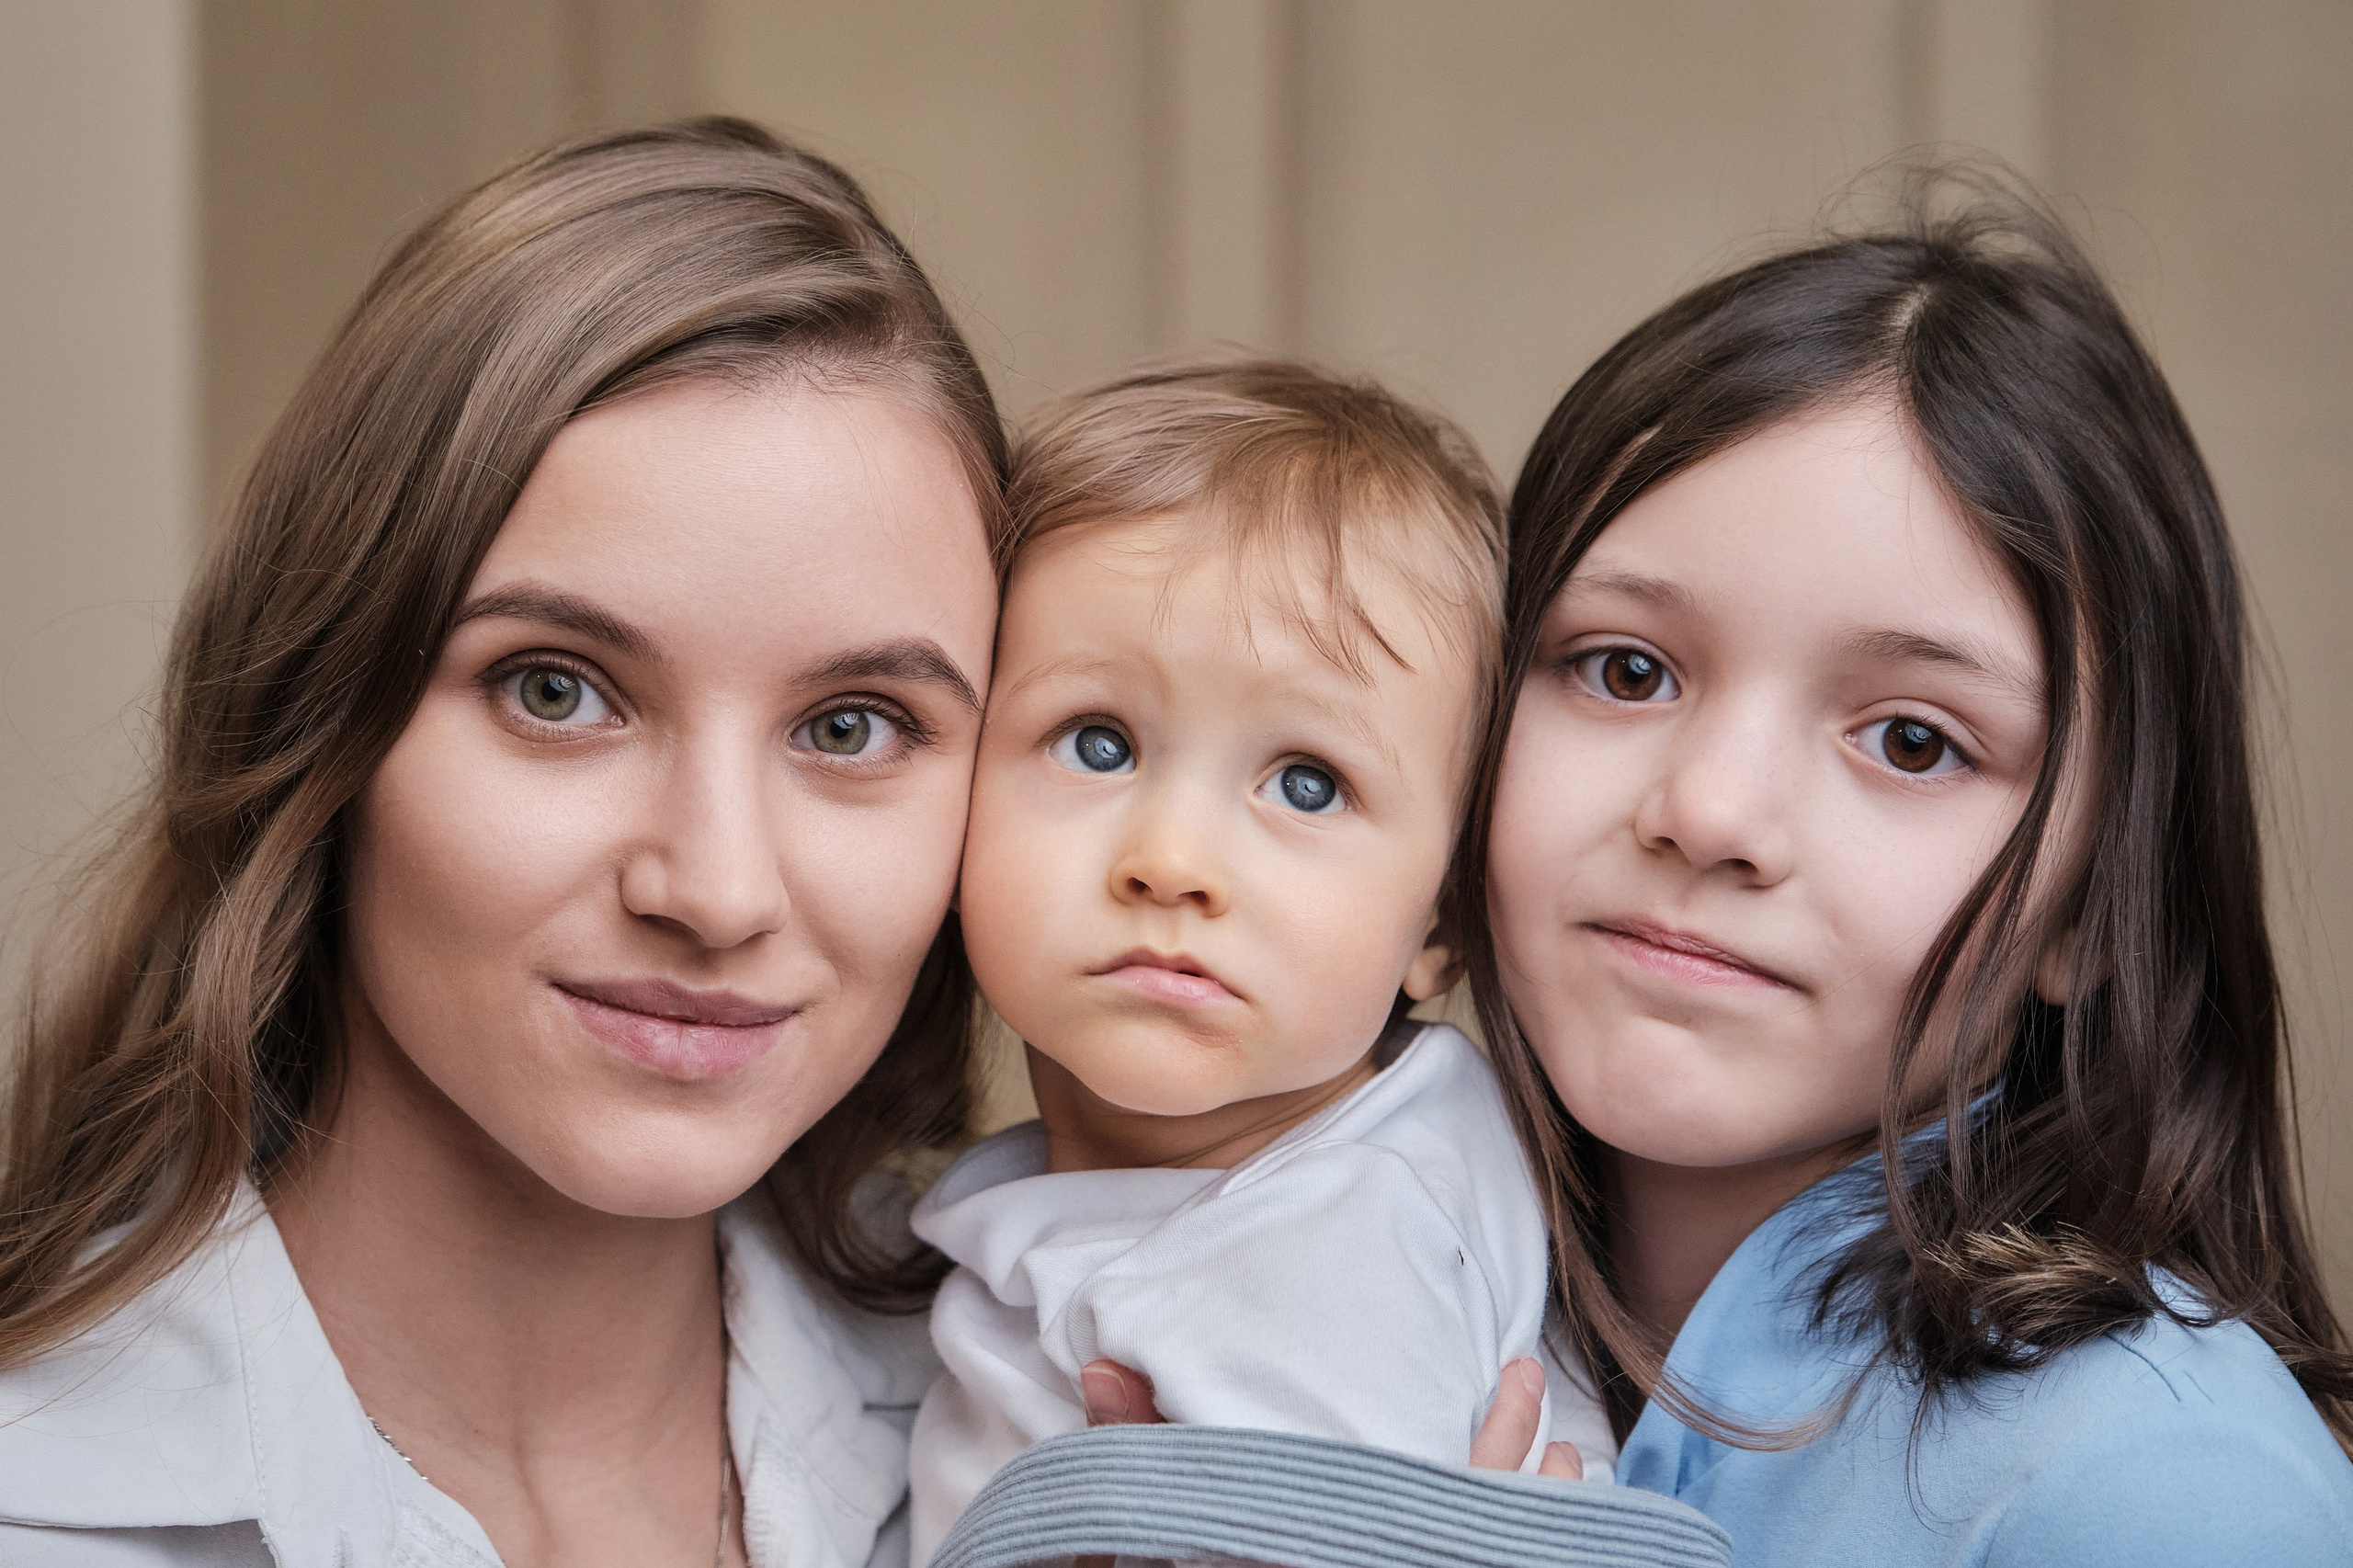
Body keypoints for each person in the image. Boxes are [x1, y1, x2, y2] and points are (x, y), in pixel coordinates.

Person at [934, 176, 2353, 1568]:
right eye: (1626, 667)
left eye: (1914, 740)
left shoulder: (2162, 1489)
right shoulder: (1311, 1256)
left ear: (2097, 908)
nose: (1713, 809)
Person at [0, 119, 1007, 1568]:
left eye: (850, 726)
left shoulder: (1087, 1426)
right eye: (559, 691)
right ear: (324, 712)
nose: (717, 887)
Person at [903, 356, 1616, 1562]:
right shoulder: (1302, 1173)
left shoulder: (1324, 1253)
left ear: (1440, 920)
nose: (1172, 857)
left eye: (1306, 782)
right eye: (1097, 741)